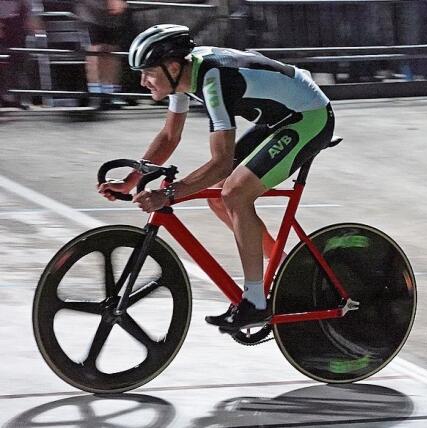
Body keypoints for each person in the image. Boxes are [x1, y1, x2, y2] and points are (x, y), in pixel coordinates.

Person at [98, 24, 335, 331]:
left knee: (234, 192)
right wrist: (131, 180)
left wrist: (168, 195)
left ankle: (255, 303)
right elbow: (170, 136)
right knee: (220, 200)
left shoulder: (213, 80)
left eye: (148, 73)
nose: (143, 81)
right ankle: (289, 270)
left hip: (309, 117)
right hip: (280, 117)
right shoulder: (183, 75)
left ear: (171, 67)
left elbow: (221, 162)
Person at [75, 0, 127, 109]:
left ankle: (110, 93)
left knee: (110, 50)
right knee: (95, 49)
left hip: (110, 15)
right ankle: (97, 94)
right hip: (91, 10)